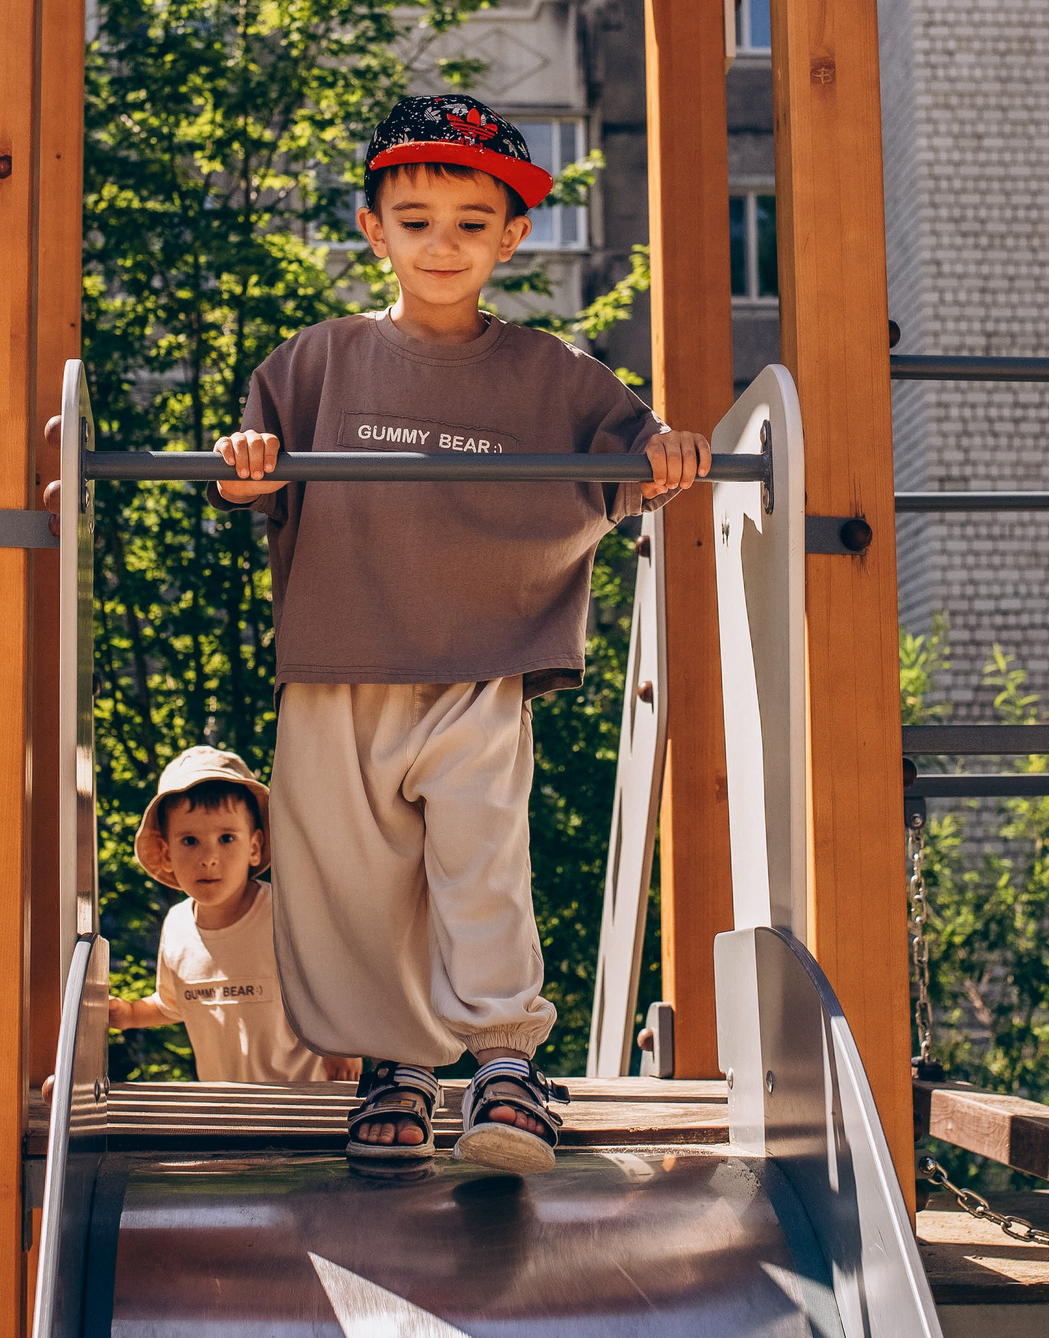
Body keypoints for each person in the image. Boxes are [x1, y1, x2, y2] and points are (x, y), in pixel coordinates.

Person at [212, 93, 712, 1176]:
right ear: (373, 230)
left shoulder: (547, 373)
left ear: (513, 236)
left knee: (480, 860)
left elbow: (638, 442)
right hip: (339, 666)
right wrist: (245, 462)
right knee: (350, 877)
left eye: (471, 223)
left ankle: (502, 1060)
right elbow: (252, 460)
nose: (443, 244)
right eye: (417, 218)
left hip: (477, 665)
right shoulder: (314, 363)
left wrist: (666, 447)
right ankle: (394, 1066)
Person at [108, 746, 361, 1085]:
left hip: (307, 1102)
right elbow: (172, 1003)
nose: (209, 856)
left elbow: (336, 981)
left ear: (254, 847)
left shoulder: (283, 916)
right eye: (190, 840)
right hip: (223, 1111)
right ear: (166, 853)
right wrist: (128, 1014)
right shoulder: (177, 927)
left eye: (226, 838)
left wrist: (342, 1044)